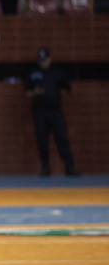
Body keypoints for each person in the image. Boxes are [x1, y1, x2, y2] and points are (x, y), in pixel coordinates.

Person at [27, 48, 78, 177]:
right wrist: (36, 92)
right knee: (42, 140)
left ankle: (69, 166)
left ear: (50, 59)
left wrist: (53, 95)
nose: (43, 63)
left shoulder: (57, 73)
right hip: (40, 112)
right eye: (40, 60)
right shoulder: (33, 73)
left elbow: (66, 89)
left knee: (62, 138)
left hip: (55, 111)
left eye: (45, 60)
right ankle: (45, 167)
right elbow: (27, 92)